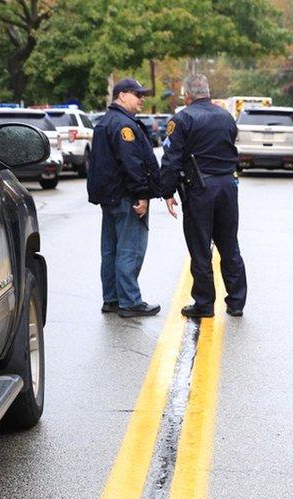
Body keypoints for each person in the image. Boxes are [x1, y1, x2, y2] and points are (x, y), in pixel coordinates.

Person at [160, 74, 247, 318]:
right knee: (229, 244)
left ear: (187, 95)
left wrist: (166, 190)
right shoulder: (226, 117)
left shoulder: (183, 118)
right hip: (228, 186)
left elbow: (171, 158)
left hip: (200, 189)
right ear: (207, 92)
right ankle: (237, 302)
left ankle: (204, 304)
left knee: (200, 248)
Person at [87, 78, 161, 318]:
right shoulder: (124, 126)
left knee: (110, 251)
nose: (142, 99)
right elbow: (132, 163)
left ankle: (112, 298)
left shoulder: (105, 122)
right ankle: (130, 301)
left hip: (109, 197)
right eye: (137, 94)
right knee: (131, 249)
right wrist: (142, 194)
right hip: (126, 196)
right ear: (121, 96)